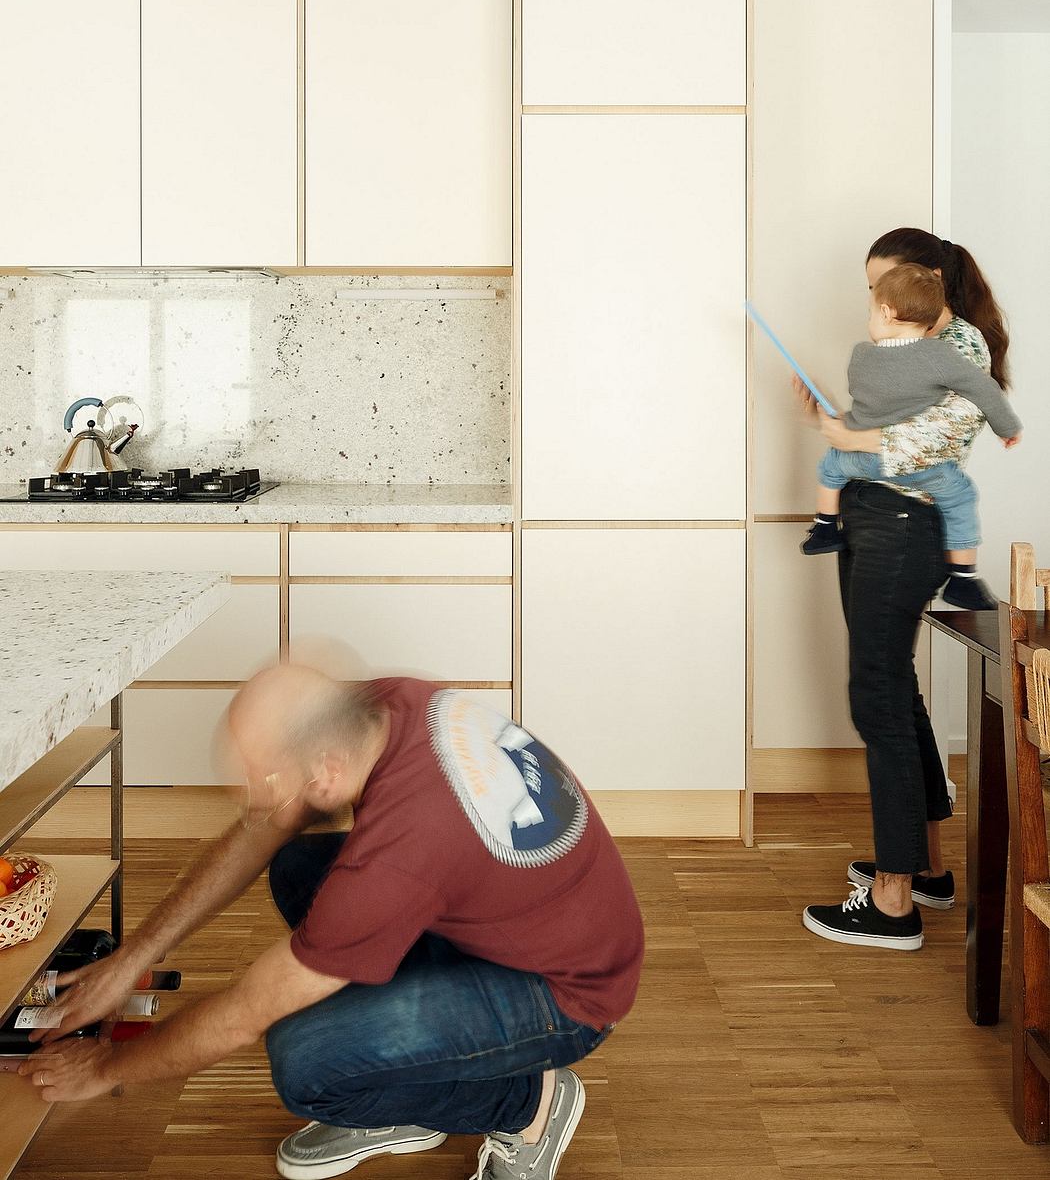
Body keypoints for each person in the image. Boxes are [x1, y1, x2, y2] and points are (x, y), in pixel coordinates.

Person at [17, 664, 644, 1180]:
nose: (250, 796)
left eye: (261, 778)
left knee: (308, 1063)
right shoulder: (385, 704)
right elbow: (270, 823)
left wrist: (103, 1069)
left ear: (326, 770)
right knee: (297, 862)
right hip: (528, 925)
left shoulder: (399, 855)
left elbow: (245, 1014)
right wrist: (134, 957)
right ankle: (417, 1069)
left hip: (566, 996)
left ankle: (530, 1104)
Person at [797, 226, 1013, 950]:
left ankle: (892, 901)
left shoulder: (962, 347)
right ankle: (926, 868)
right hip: (876, 516)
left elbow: (930, 441)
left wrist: (849, 436)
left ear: (923, 284)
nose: (876, 301)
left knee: (878, 698)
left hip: (900, 526)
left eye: (882, 285)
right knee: (893, 688)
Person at [801, 261, 1022, 612]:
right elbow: (984, 390)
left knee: (829, 468)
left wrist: (835, 424)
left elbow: (869, 409)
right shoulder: (939, 355)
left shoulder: (860, 356)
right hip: (917, 472)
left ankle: (824, 528)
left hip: (860, 462)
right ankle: (964, 577)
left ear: (886, 312)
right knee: (961, 495)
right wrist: (1007, 428)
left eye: (871, 308)